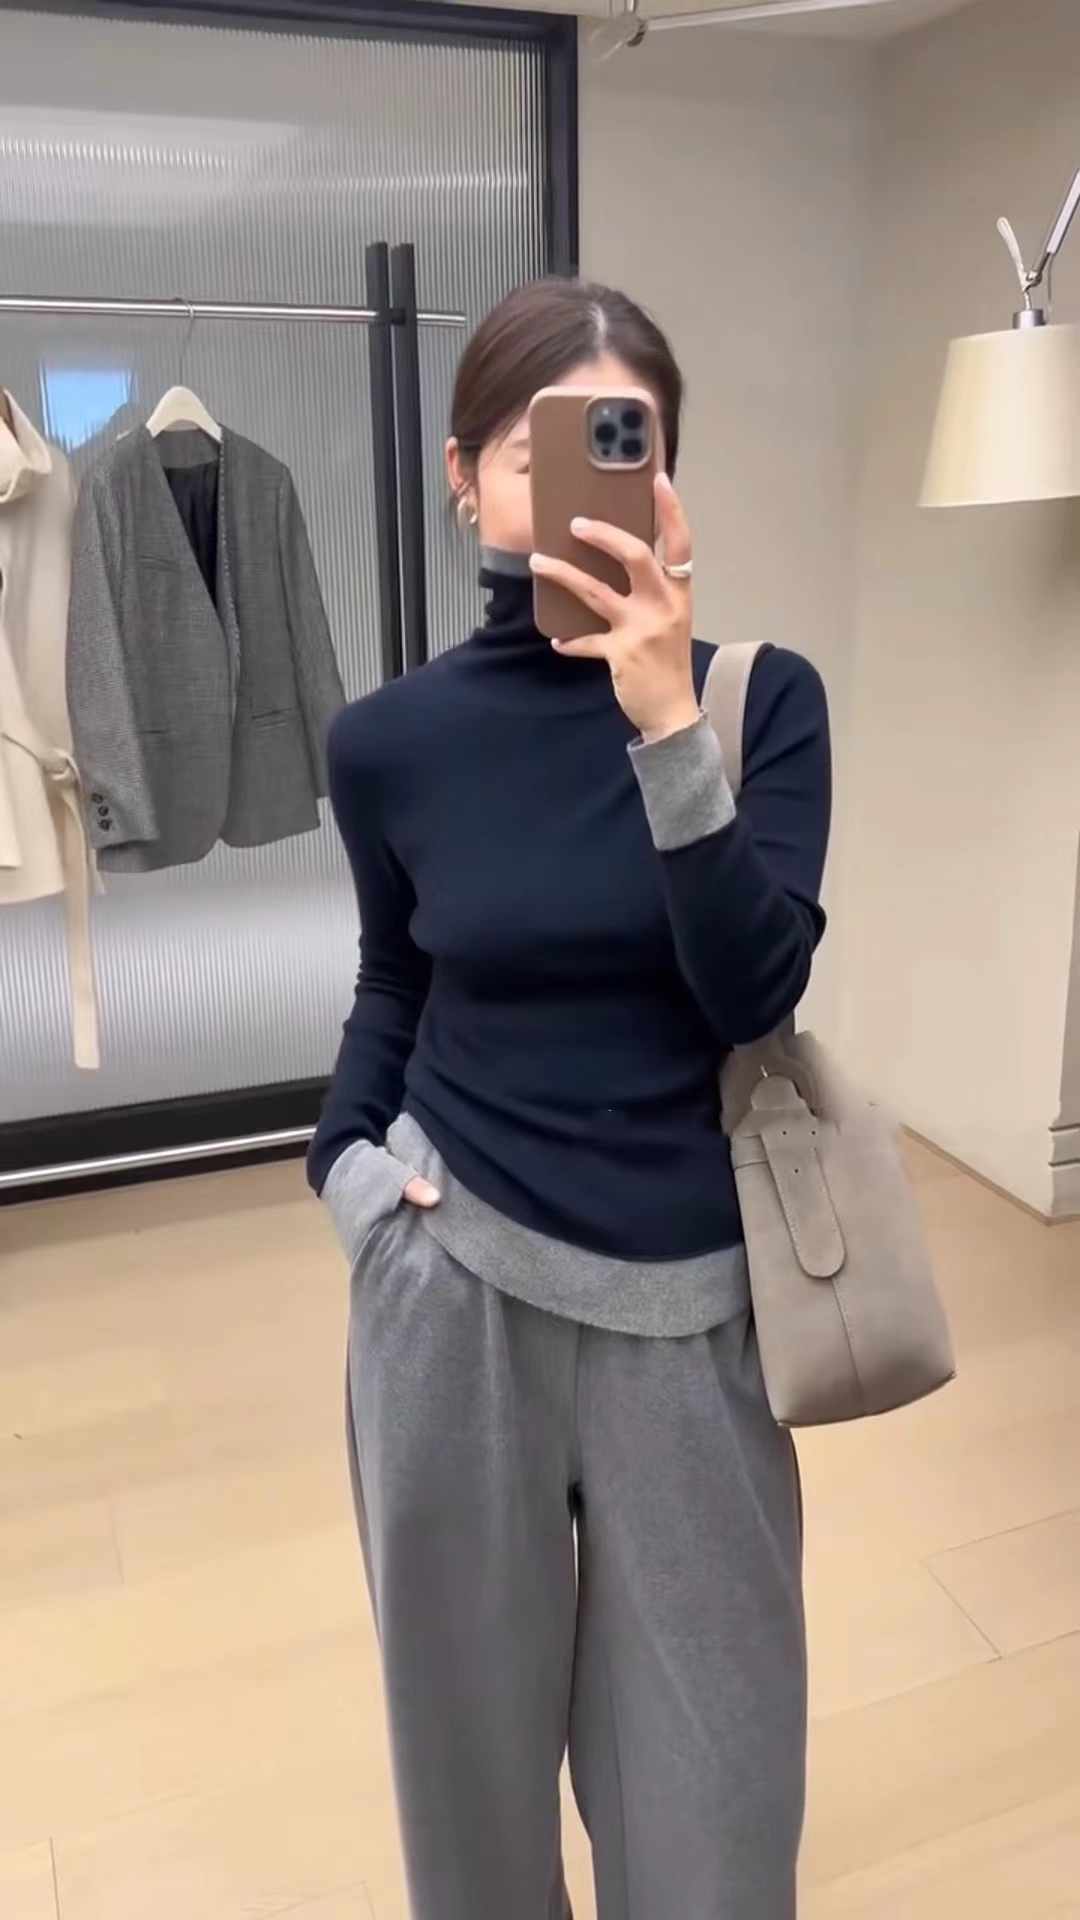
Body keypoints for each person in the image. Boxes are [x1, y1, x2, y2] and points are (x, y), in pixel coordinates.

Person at [308, 277, 832, 1920]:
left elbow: (753, 994)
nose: (587, 483)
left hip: (695, 1308)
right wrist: (344, 1172)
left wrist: (666, 722)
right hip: (449, 1288)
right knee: (465, 1792)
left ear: (668, 479)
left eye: (629, 444)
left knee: (719, 1817)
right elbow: (395, 979)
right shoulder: (387, 744)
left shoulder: (762, 705)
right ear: (468, 476)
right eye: (544, 451)